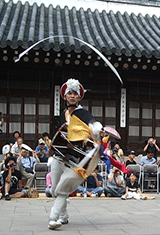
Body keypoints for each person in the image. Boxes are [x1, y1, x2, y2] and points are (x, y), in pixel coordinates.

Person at [48, 78, 106, 230]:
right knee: (54, 189)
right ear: (65, 96)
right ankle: (64, 215)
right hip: (59, 156)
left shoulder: (83, 113)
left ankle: (53, 218)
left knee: (63, 188)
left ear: (79, 97)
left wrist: (98, 130)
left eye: (75, 94)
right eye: (70, 93)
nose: (72, 96)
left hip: (76, 160)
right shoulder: (62, 114)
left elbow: (93, 125)